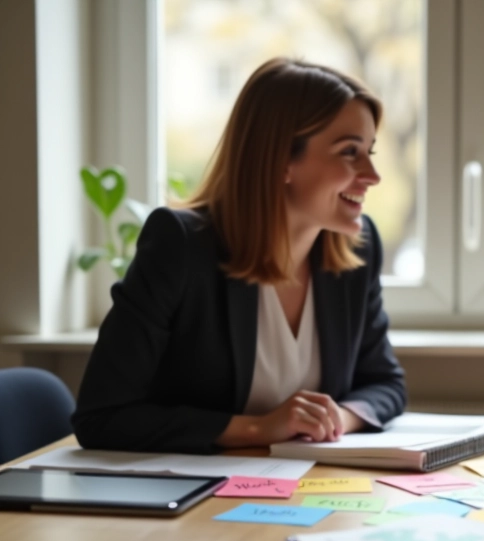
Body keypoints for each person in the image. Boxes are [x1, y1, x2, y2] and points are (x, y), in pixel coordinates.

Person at [72, 58, 406, 453]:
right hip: (193, 500)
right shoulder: (180, 245)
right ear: (282, 158)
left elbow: (385, 383)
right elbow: (102, 416)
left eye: (370, 150)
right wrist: (257, 429)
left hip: (304, 489)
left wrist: (335, 419)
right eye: (350, 151)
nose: (372, 174)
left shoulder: (359, 250)